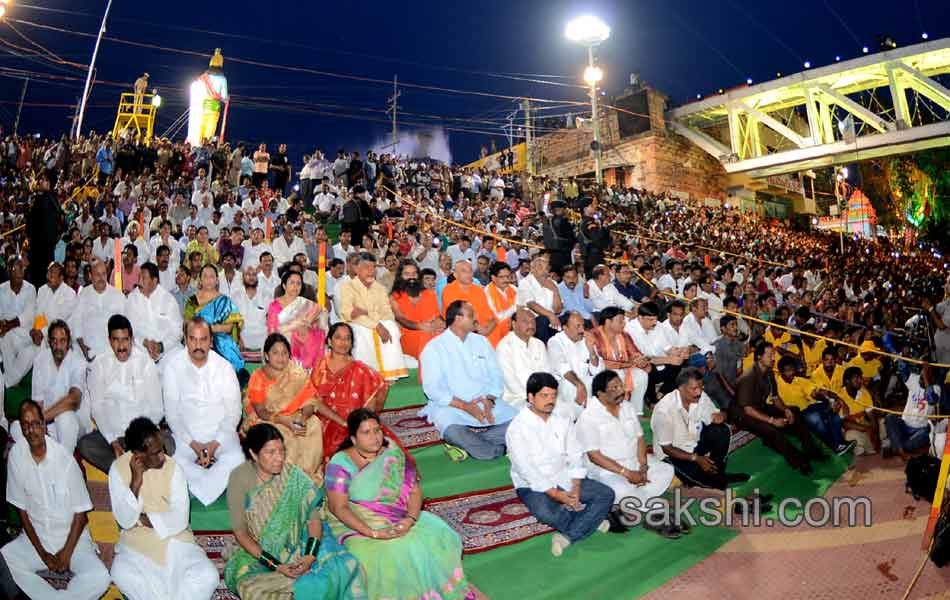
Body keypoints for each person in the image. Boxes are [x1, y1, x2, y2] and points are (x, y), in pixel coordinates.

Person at [326, 409, 474, 600]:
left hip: (398, 516)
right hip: (356, 524)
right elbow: (340, 508)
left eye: (377, 430)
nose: (374, 437)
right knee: (391, 553)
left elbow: (413, 489)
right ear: (353, 439)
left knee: (439, 533)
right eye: (366, 432)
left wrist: (409, 520)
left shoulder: (391, 451)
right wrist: (374, 533)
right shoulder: (340, 463)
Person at [225, 423, 366, 600]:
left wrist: (309, 557)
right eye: (271, 452)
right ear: (253, 454)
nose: (279, 458)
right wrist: (277, 565)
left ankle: (306, 586)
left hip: (298, 548)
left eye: (281, 450)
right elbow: (241, 534)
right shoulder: (239, 479)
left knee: (345, 567)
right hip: (260, 554)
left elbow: (314, 520)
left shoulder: (293, 476)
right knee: (248, 588)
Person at [0, 400, 110, 600]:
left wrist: (66, 554)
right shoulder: (16, 456)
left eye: (35, 424)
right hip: (37, 538)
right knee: (5, 559)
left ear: (43, 424)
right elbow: (22, 511)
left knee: (101, 578)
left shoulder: (65, 461)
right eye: (25, 425)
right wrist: (42, 553)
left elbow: (81, 515)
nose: (31, 431)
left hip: (72, 540)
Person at [108, 417, 219, 600]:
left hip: (175, 543)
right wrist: (135, 483)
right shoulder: (118, 469)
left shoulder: (173, 468)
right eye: (156, 452)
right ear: (137, 454)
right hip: (137, 546)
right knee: (120, 573)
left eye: (162, 449)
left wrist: (143, 519)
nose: (163, 455)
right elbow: (125, 520)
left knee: (208, 576)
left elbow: (180, 519)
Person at [506, 372, 615, 557]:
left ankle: (567, 537)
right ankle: (590, 522)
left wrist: (576, 487)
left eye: (553, 395)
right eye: (544, 396)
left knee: (606, 494)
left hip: (564, 476)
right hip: (533, 485)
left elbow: (575, 454)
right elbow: (527, 470)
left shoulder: (562, 420)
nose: (550, 400)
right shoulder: (517, 428)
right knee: (545, 512)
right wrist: (557, 495)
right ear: (531, 397)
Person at [576, 370, 680, 538]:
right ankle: (656, 513)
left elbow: (639, 438)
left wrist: (643, 466)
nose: (621, 391)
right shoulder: (589, 417)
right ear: (600, 394)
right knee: (620, 488)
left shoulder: (627, 407)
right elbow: (594, 456)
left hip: (634, 462)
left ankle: (633, 502)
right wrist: (627, 473)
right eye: (614, 388)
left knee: (666, 471)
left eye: (621, 385)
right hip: (608, 470)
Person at [420, 300, 517, 461]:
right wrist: (465, 406)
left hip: (485, 403)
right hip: (453, 407)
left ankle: (477, 445)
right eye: (471, 316)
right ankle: (498, 448)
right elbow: (433, 390)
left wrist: (490, 399)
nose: (475, 319)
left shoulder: (482, 342)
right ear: (457, 319)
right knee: (454, 431)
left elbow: (497, 375)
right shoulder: (434, 348)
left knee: (519, 423)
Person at [163, 317, 245, 506]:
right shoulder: (173, 367)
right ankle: (210, 485)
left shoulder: (224, 368)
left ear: (211, 341)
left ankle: (194, 487)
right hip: (186, 436)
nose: (198, 345)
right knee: (173, 462)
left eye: (203, 339)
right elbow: (172, 414)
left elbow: (234, 412)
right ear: (185, 339)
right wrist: (193, 444)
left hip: (219, 435)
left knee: (237, 460)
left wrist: (215, 444)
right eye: (193, 339)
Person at [79, 315, 169, 474]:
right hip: (113, 436)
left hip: (142, 437)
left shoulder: (144, 362)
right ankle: (131, 469)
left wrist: (140, 440)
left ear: (131, 339)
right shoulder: (99, 365)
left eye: (125, 340)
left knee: (169, 443)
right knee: (86, 445)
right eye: (116, 340)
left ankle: (125, 469)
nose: (121, 346)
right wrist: (112, 441)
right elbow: (97, 409)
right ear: (109, 340)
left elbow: (157, 409)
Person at [243, 333, 331, 482]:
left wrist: (302, 418)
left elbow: (310, 401)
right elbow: (261, 411)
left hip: (296, 417)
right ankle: (286, 481)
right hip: (270, 419)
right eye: (275, 353)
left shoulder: (297, 373)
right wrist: (284, 420)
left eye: (284, 353)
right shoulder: (259, 376)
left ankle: (306, 476)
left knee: (314, 423)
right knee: (286, 436)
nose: (280, 357)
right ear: (266, 355)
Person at [311, 323, 400, 461]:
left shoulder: (360, 370)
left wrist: (357, 424)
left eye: (347, 338)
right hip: (327, 421)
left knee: (379, 448)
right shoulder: (320, 367)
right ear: (329, 341)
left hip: (355, 423)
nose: (343, 342)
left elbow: (372, 401)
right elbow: (315, 401)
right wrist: (341, 422)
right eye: (338, 338)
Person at [736, 342, 827, 474]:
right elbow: (748, 410)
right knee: (774, 432)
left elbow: (775, 397)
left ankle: (812, 450)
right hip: (744, 415)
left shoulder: (769, 372)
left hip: (760, 407)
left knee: (794, 410)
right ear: (759, 357)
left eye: (773, 354)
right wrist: (772, 420)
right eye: (769, 355)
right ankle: (800, 462)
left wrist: (786, 410)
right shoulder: (748, 377)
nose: (773, 358)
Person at [651, 367, 749, 489]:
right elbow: (667, 449)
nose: (699, 392)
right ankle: (717, 482)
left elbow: (715, 416)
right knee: (710, 486)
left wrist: (722, 416)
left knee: (721, 430)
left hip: (692, 443)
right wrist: (696, 458)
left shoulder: (700, 396)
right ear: (681, 388)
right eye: (694, 389)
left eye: (701, 387)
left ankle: (717, 472)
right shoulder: (664, 410)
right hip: (673, 454)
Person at [20, 320, 90, 453]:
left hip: (75, 423)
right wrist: (39, 424)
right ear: (49, 342)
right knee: (17, 428)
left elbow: (74, 400)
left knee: (65, 418)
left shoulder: (78, 362)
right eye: (54, 341)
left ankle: (63, 465)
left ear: (69, 343)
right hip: (46, 423)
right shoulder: (41, 359)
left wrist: (41, 419)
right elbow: (37, 400)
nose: (58, 346)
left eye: (62, 341)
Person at [339, 252, 408, 381]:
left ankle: (389, 374)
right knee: (362, 331)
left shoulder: (380, 288)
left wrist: (368, 314)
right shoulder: (348, 287)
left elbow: (387, 312)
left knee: (392, 327)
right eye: (366, 267)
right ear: (356, 269)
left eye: (373, 267)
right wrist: (376, 324)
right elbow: (349, 313)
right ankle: (366, 376)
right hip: (356, 324)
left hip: (379, 322)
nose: (371, 271)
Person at [775, 356, 854, 455]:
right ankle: (835, 446)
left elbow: (814, 393)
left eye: (793, 369)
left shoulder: (799, 380)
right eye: (788, 371)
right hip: (797, 413)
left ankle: (841, 442)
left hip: (809, 407)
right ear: (781, 372)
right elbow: (773, 402)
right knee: (816, 419)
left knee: (832, 410)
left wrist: (829, 400)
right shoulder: (775, 385)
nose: (792, 372)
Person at [184, 264, 246, 373]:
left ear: (217, 280)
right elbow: (187, 325)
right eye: (205, 276)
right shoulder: (192, 301)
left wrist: (211, 329)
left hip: (223, 343)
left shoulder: (224, 300)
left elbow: (230, 327)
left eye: (212, 276)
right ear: (200, 280)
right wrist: (205, 333)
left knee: (231, 362)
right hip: (198, 340)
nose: (208, 280)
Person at [590, 306, 651, 415]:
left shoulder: (624, 335)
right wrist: (627, 364)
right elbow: (602, 363)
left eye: (624, 321)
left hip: (624, 368)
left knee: (642, 375)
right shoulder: (594, 335)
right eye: (620, 321)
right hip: (602, 372)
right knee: (617, 376)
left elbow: (635, 352)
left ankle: (636, 412)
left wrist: (640, 360)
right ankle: (617, 411)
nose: (624, 324)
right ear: (608, 322)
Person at [547, 311, 604, 421]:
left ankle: (591, 420)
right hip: (566, 384)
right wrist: (579, 384)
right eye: (578, 326)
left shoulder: (586, 338)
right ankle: (578, 420)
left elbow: (597, 370)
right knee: (570, 386)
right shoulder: (555, 342)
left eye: (583, 325)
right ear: (565, 328)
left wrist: (591, 350)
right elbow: (563, 369)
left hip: (584, 381)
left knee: (601, 382)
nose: (582, 330)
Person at [124, 262, 183, 368]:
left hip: (167, 351)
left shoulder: (168, 300)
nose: (139, 281)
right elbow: (130, 329)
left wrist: (161, 346)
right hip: (141, 349)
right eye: (139, 277)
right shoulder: (132, 299)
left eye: (144, 278)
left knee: (180, 359)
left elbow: (178, 331)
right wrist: (145, 342)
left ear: (155, 281)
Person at [267, 270, 326, 370]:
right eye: (292, 283)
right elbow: (273, 332)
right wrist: (294, 326)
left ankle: (309, 370)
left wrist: (311, 323)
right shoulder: (274, 305)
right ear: (284, 286)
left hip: (305, 339)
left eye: (298, 283)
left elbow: (321, 315)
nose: (295, 286)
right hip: (284, 341)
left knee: (316, 333)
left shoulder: (304, 303)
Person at [71, 260, 126, 362]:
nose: (101, 278)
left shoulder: (118, 296)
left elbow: (126, 326)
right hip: (88, 351)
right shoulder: (83, 294)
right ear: (90, 276)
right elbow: (76, 323)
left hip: (112, 352)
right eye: (97, 274)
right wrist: (83, 348)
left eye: (104, 274)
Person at [496, 308, 551, 410]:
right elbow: (511, 383)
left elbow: (547, 374)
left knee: (563, 408)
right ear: (514, 324)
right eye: (526, 321)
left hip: (543, 396)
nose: (531, 325)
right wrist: (534, 398)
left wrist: (545, 395)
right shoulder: (504, 347)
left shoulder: (539, 344)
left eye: (533, 321)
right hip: (517, 399)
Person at [390, 261, 443, 362]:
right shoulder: (394, 297)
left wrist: (438, 323)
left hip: (430, 340)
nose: (411, 277)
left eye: (414, 273)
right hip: (408, 342)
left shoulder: (430, 294)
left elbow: (437, 317)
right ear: (400, 277)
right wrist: (419, 326)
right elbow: (400, 318)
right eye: (407, 274)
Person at [884, 366, 941, 460]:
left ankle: (897, 447)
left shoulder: (936, 389)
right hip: (904, 424)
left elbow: (931, 400)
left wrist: (926, 378)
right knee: (890, 417)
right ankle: (901, 450)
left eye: (923, 378)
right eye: (921, 376)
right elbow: (902, 368)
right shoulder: (914, 379)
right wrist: (904, 354)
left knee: (926, 434)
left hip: (919, 430)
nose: (920, 379)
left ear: (932, 379)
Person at [0, 259, 38, 387]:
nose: (18, 273)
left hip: (25, 335)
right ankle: (13, 380)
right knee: (5, 339)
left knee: (31, 353)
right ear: (8, 270)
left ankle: (8, 381)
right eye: (14, 269)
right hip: (7, 333)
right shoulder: (1, 289)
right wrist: (2, 325)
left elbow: (28, 316)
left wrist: (8, 325)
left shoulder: (30, 289)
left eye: (21, 269)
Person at [442, 260, 496, 338]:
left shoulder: (479, 290)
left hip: (482, 330)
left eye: (470, 271)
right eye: (464, 271)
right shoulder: (448, 290)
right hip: (461, 331)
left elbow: (489, 314)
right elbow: (458, 317)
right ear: (455, 274)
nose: (469, 274)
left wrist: (489, 328)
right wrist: (477, 327)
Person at [516, 253, 562, 343]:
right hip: (533, 320)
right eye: (539, 266)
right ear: (532, 269)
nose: (543, 269)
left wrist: (555, 291)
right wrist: (550, 315)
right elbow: (531, 304)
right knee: (543, 320)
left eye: (545, 266)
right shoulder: (525, 282)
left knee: (567, 319)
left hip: (552, 320)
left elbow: (558, 310)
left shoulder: (553, 283)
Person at [231, 265, 269, 353]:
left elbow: (271, 319)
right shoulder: (235, 296)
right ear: (242, 278)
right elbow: (233, 322)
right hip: (242, 342)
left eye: (254, 274)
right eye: (248, 274)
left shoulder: (266, 295)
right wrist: (238, 339)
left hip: (263, 342)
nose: (251, 277)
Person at [484, 261, 518, 347]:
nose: (506, 280)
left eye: (508, 277)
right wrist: (515, 307)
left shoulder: (513, 289)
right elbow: (497, 317)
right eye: (502, 277)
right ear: (493, 278)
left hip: (512, 331)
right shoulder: (487, 292)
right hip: (494, 333)